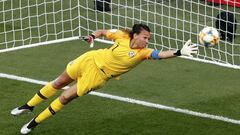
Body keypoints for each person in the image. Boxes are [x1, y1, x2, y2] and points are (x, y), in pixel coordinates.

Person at [11, 24, 198, 134]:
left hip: (98, 77)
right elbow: (101, 32)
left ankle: (33, 122)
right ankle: (28, 106)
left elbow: (161, 54)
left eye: (148, 38)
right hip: (89, 59)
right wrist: (92, 35)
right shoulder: (122, 36)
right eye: (145, 37)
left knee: (65, 97)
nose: (147, 41)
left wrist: (179, 52)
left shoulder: (142, 53)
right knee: (59, 82)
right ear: (135, 35)